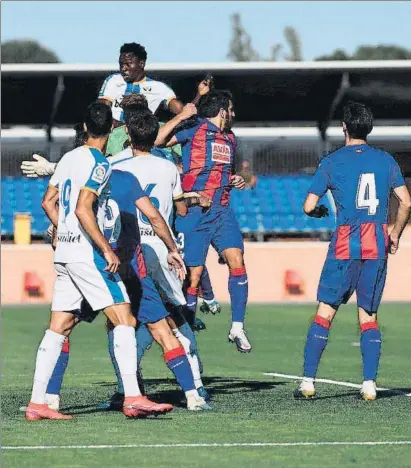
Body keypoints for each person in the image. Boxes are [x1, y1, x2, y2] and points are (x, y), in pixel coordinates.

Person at [25, 102, 173, 420]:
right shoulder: (99, 164)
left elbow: (48, 201)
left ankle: (38, 403)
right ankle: (133, 397)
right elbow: (83, 208)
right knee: (125, 319)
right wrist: (105, 248)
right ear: (113, 130)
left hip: (65, 253)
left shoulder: (69, 158)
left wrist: (59, 233)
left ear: (84, 126)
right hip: (84, 254)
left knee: (59, 327)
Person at [297, 101, 411, 401]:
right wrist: (395, 233)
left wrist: (319, 211)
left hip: (346, 241)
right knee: (369, 315)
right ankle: (369, 385)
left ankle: (308, 382)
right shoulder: (386, 160)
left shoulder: (332, 161)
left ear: (344, 128)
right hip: (376, 240)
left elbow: (309, 205)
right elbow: (407, 202)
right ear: (369, 128)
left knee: (326, 312)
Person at [106, 110, 211, 410]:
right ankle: (195, 389)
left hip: (124, 252)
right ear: (155, 138)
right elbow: (175, 212)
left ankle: (126, 388)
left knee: (118, 323)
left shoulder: (114, 166)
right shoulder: (168, 168)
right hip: (160, 249)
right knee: (174, 320)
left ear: (127, 136)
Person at [157, 90, 252, 353]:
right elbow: (157, 140)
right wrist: (181, 117)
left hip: (222, 211)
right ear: (223, 111)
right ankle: (185, 333)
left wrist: (237, 179)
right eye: (231, 110)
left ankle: (237, 327)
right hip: (195, 212)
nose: (233, 115)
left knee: (237, 261)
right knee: (193, 275)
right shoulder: (194, 129)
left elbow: (228, 172)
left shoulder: (230, 139)